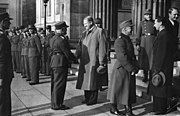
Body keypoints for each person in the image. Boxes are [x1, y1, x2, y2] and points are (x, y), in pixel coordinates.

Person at [107, 19, 139, 116]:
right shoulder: (120, 40)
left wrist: (136, 66)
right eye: (130, 27)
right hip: (122, 69)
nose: (132, 29)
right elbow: (122, 57)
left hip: (127, 68)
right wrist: (131, 68)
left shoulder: (127, 39)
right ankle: (114, 108)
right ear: (124, 29)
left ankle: (128, 110)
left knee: (127, 90)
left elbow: (131, 55)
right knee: (118, 90)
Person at [75, 16, 107, 106]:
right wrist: (75, 56)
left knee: (93, 81)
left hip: (94, 60)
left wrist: (101, 62)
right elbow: (79, 46)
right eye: (84, 25)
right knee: (85, 81)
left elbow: (102, 48)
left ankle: (93, 99)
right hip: (84, 61)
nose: (84, 26)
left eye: (86, 24)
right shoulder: (84, 33)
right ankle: (87, 97)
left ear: (91, 23)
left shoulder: (99, 31)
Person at [148, 16, 174, 115]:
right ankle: (158, 108)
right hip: (162, 66)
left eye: (155, 23)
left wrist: (157, 69)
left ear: (161, 23)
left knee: (160, 87)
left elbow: (161, 53)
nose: (154, 25)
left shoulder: (164, 35)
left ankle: (160, 109)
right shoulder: (162, 34)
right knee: (158, 87)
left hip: (161, 67)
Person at [49, 21, 76, 110]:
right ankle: (58, 104)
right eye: (65, 28)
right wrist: (75, 59)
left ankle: (54, 103)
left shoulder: (53, 38)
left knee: (54, 84)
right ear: (62, 29)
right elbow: (67, 53)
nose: (66, 30)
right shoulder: (61, 40)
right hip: (60, 63)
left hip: (54, 61)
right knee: (60, 84)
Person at [165, 7, 180, 112]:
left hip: (174, 52)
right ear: (169, 14)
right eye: (174, 14)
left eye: (177, 14)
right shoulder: (165, 23)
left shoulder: (177, 24)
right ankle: (169, 100)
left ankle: (174, 99)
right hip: (166, 52)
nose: (176, 16)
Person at [0, 12, 14, 116]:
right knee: (3, 99)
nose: (9, 23)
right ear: (2, 22)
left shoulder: (3, 35)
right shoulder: (1, 38)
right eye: (8, 21)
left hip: (5, 73)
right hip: (3, 73)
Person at [137, 9, 156, 82]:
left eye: (150, 14)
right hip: (144, 42)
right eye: (147, 15)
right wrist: (138, 44)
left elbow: (156, 33)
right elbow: (138, 34)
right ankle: (145, 75)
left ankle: (151, 75)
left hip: (152, 41)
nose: (149, 16)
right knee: (145, 59)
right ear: (144, 15)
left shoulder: (154, 22)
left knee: (152, 58)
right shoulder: (142, 23)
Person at [94, 18, 109, 91]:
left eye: (98, 24)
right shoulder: (94, 32)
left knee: (103, 70)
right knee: (98, 71)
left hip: (104, 53)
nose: (97, 25)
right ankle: (99, 85)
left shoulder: (104, 31)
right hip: (97, 55)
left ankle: (103, 84)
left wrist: (108, 54)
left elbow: (107, 43)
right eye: (96, 24)